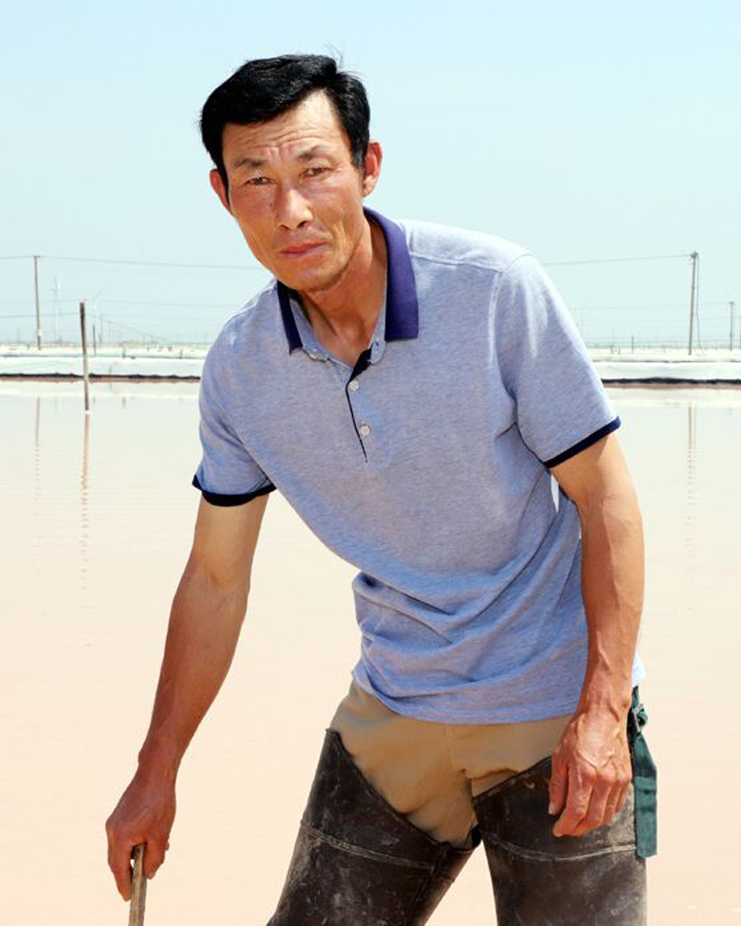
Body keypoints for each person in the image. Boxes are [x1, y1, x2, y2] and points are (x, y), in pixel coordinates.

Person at [105, 54, 657, 924]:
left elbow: (606, 500)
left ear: (367, 167)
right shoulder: (241, 368)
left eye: (314, 170)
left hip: (550, 713)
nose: (290, 209)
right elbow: (214, 579)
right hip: (395, 707)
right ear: (222, 195)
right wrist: (154, 771)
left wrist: (601, 710)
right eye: (257, 180)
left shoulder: (492, 289)